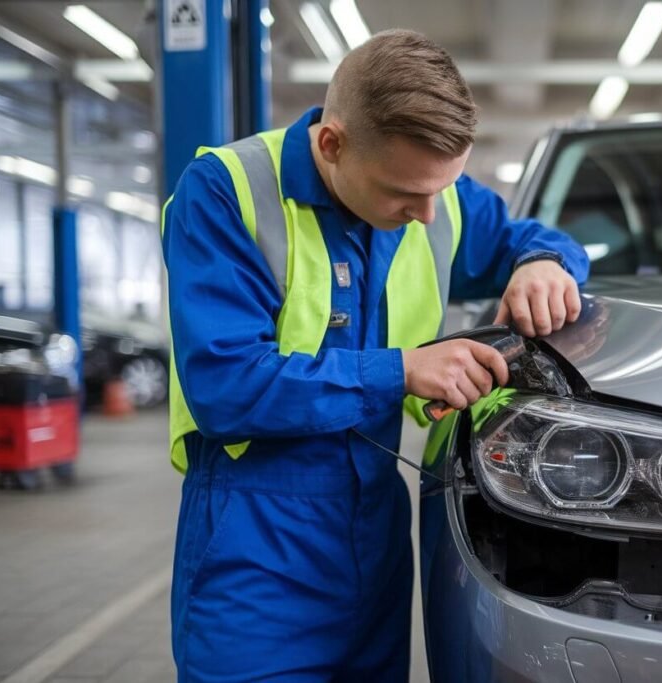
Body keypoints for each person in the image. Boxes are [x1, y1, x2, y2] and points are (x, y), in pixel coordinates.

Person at [161, 29, 589, 682]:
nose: (426, 213)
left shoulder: (433, 193)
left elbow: (527, 235)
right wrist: (404, 368)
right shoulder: (227, 193)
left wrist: (543, 262)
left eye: (437, 191)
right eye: (403, 194)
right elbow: (225, 385)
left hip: (375, 540)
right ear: (333, 144)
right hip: (256, 549)